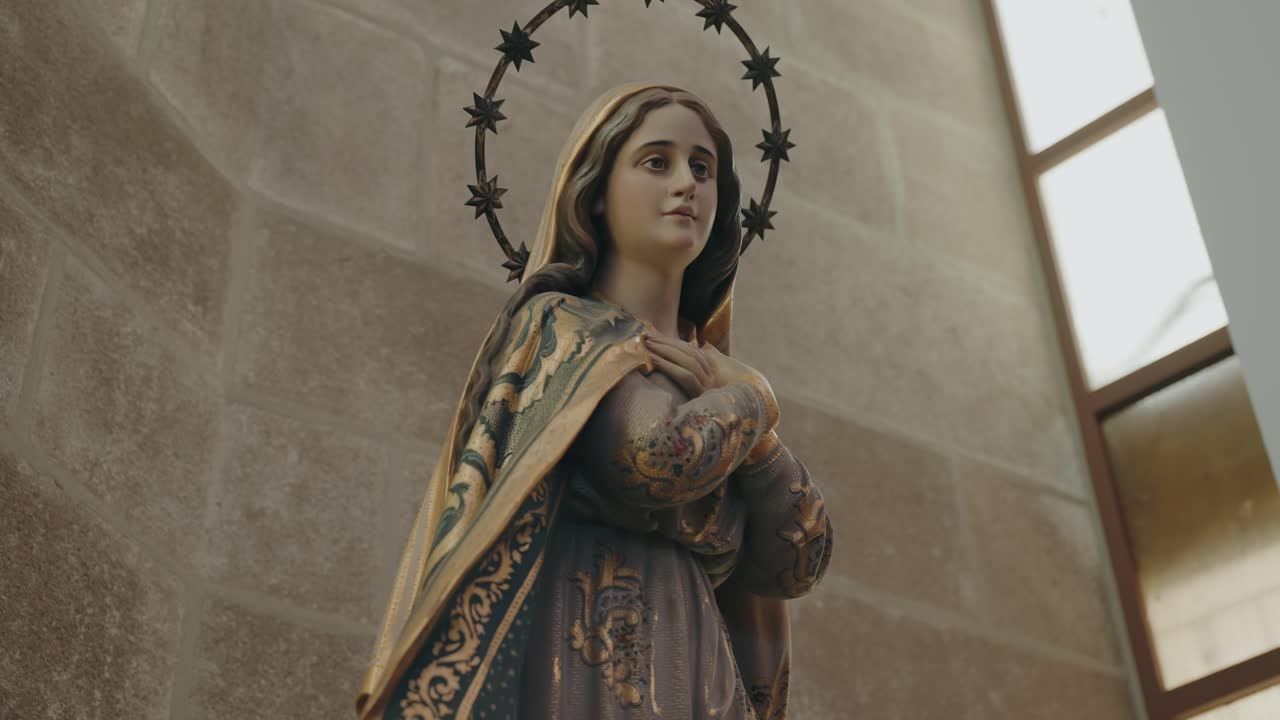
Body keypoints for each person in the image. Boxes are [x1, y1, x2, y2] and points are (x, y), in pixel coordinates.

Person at [356, 83, 833, 720]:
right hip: (580, 653)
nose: (686, 183)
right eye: (656, 161)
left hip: (700, 665)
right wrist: (754, 400)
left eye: (702, 167)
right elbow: (655, 457)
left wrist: (762, 440)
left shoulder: (713, 373)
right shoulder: (563, 329)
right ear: (597, 193)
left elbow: (796, 563)